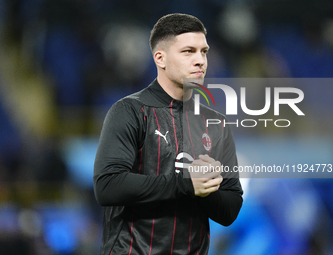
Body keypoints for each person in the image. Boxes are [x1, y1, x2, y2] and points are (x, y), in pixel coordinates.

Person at [94, 13, 243, 255]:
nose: (200, 61)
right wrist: (186, 184)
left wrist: (205, 188)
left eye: (203, 51)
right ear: (160, 58)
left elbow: (230, 210)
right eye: (188, 51)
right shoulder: (129, 111)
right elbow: (107, 185)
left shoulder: (215, 123)